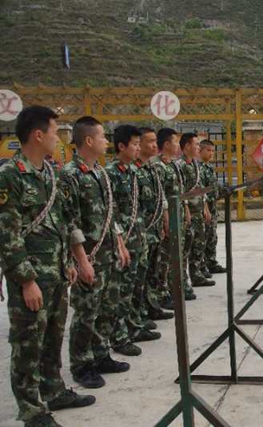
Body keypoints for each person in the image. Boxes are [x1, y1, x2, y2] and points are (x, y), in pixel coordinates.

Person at [0, 106, 95, 427]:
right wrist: (26, 281)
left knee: (53, 337)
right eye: (55, 132)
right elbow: (7, 235)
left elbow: (64, 221)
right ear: (38, 135)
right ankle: (31, 410)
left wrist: (71, 261)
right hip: (31, 278)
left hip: (56, 273)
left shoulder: (50, 174)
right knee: (28, 343)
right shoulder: (10, 176)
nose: (59, 138)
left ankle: (53, 390)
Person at [61, 116, 131, 389]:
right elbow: (70, 222)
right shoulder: (70, 175)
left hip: (108, 254)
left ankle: (101, 355)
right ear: (88, 140)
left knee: (107, 308)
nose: (106, 142)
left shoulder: (100, 173)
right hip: (89, 258)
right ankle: (81, 365)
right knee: (86, 312)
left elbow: (110, 213)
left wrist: (120, 244)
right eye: (102, 137)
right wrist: (81, 261)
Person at [105, 125, 161, 358]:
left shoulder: (132, 171)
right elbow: (111, 211)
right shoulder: (111, 173)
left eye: (139, 144)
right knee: (121, 291)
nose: (138, 148)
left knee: (136, 286)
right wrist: (119, 240)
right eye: (135, 144)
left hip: (139, 237)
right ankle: (119, 336)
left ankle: (134, 325)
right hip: (123, 240)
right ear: (121, 146)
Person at [150, 128, 196, 306]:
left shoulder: (172, 164)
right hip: (168, 218)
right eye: (175, 142)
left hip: (179, 215)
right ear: (167, 144)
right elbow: (161, 195)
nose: (178, 145)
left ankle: (174, 287)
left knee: (177, 254)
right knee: (165, 256)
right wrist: (166, 218)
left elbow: (180, 190)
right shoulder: (158, 166)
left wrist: (186, 209)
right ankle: (162, 293)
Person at [135, 127, 173, 323]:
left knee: (152, 271)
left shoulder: (151, 168)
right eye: (149, 141)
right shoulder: (134, 170)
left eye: (154, 141)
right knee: (139, 276)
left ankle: (152, 306)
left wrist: (165, 218)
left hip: (154, 229)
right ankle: (139, 314)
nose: (154, 145)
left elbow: (161, 196)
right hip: (141, 232)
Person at [175, 133, 216, 288]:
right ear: (187, 146)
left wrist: (205, 207)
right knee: (185, 247)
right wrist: (185, 208)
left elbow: (200, 188)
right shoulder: (179, 165)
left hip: (198, 209)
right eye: (196, 144)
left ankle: (197, 274)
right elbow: (180, 189)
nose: (198, 147)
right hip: (188, 212)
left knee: (199, 243)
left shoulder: (195, 164)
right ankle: (183, 281)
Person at [199, 140, 225, 275]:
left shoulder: (209, 167)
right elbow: (201, 190)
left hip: (212, 206)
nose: (211, 153)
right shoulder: (199, 168)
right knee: (202, 238)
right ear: (200, 151)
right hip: (204, 208)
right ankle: (201, 266)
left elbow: (213, 187)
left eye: (213, 151)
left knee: (212, 237)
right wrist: (205, 208)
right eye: (208, 150)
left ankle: (211, 262)